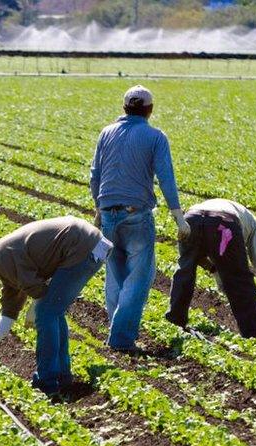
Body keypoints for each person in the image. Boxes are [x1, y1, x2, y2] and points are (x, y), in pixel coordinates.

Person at [0, 216, 112, 398]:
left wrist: (35, 308)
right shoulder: (3, 260)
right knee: (52, 311)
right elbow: (9, 310)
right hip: (87, 243)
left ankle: (47, 381)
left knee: (46, 313)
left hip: (80, 246)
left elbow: (37, 289)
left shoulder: (1, 255)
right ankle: (62, 376)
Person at [89, 84, 191, 353]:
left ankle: (116, 329)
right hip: (137, 215)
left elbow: (95, 175)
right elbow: (166, 177)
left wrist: (99, 212)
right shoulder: (155, 137)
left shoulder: (106, 133)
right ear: (150, 110)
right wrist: (179, 217)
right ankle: (121, 338)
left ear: (124, 108)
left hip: (108, 213)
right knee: (140, 276)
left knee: (115, 274)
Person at [165, 198, 256, 339]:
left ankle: (175, 320)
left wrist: (214, 270)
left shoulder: (222, 207)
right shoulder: (253, 225)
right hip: (224, 223)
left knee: (185, 267)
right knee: (240, 280)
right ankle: (254, 336)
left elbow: (196, 256)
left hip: (191, 218)